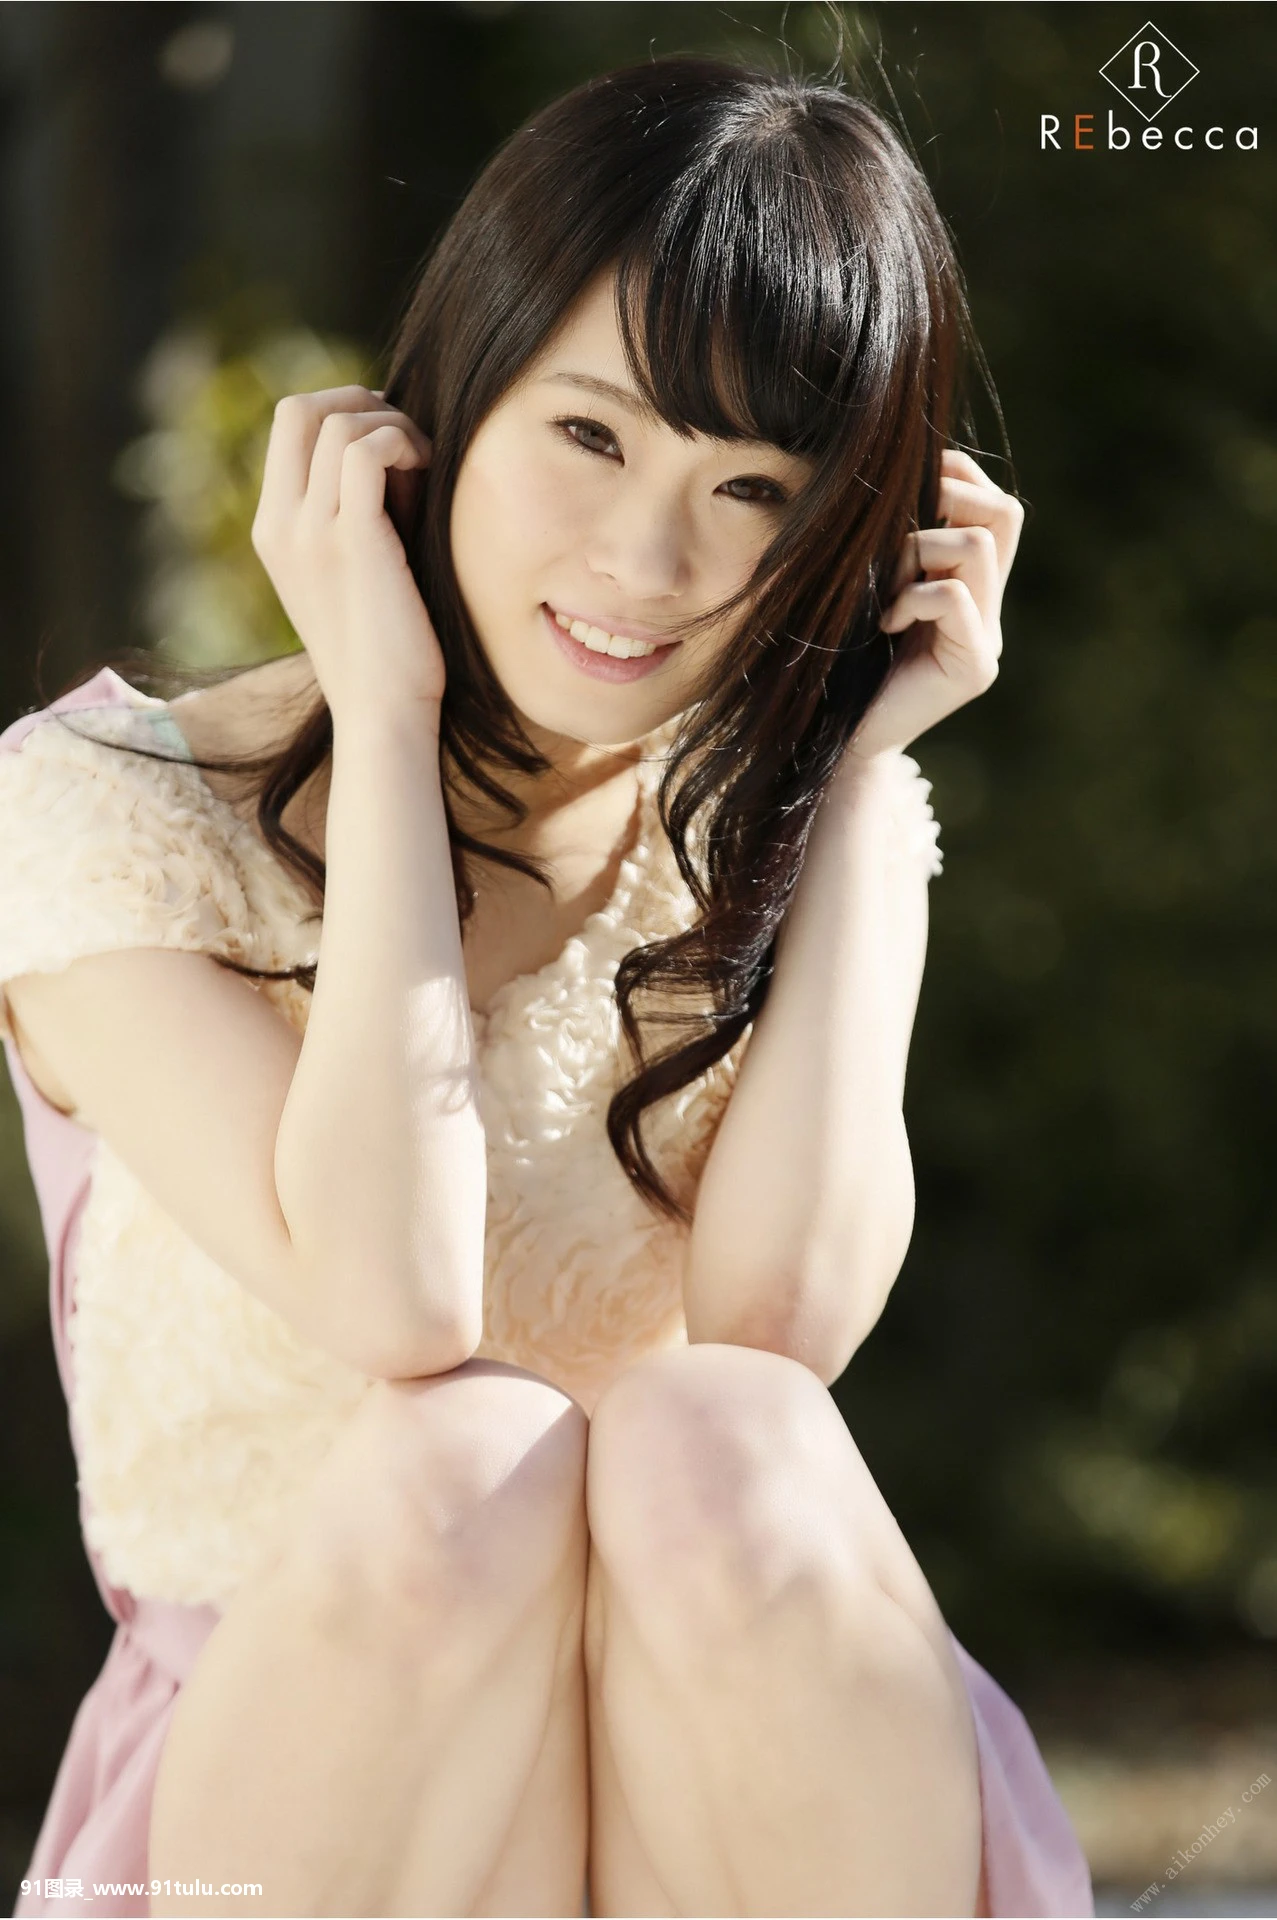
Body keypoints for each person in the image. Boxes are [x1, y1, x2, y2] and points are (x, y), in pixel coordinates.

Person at [0, 50, 1093, 1920]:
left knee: (725, 1433)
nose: (646, 562)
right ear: (446, 402)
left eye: (751, 488)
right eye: (591, 436)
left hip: (727, 1819)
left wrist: (857, 781)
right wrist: (388, 707)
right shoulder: (104, 812)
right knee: (463, 1461)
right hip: (330, 1802)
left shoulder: (809, 836)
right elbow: (396, 1303)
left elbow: (777, 1328)